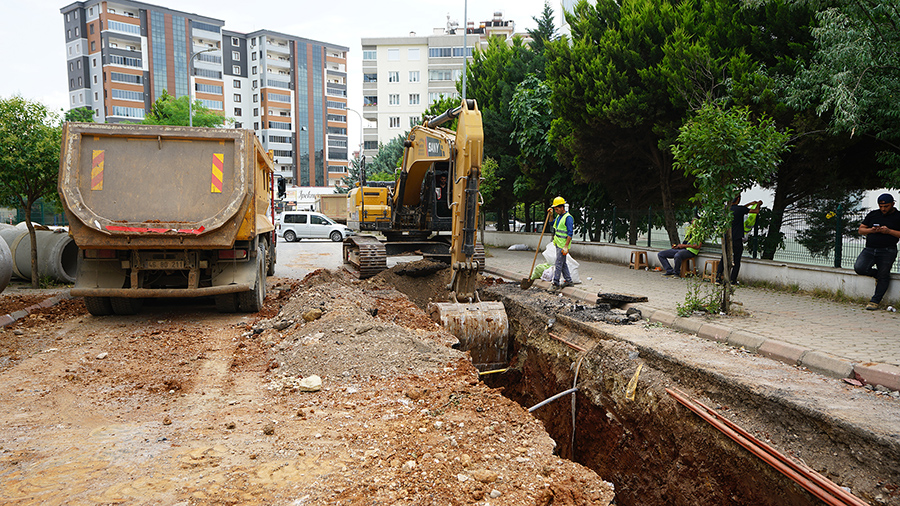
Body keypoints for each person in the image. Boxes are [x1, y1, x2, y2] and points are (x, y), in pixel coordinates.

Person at [854, 193, 900, 310]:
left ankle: (875, 301)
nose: (883, 209)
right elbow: (861, 230)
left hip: (887, 250)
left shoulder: (898, 216)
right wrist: (872, 230)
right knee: (859, 268)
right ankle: (876, 275)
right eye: (881, 206)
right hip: (869, 249)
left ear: (893, 204)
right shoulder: (873, 214)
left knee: (884, 275)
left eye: (886, 206)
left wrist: (888, 231)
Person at [717, 196, 762, 284]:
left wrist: (749, 203)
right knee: (737, 259)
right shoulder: (740, 209)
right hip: (737, 238)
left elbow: (740, 209)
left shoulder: (726, 209)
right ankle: (732, 280)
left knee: (724, 258)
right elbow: (756, 211)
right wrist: (758, 204)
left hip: (727, 238)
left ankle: (718, 278)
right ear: (738, 199)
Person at [549, 196, 574, 291]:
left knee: (558, 263)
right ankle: (568, 281)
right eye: (555, 209)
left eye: (557, 209)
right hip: (558, 243)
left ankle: (555, 283)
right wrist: (551, 215)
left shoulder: (568, 218)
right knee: (562, 263)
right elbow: (551, 224)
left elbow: (570, 233)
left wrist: (566, 246)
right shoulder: (559, 217)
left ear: (562, 207)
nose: (556, 211)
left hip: (563, 245)